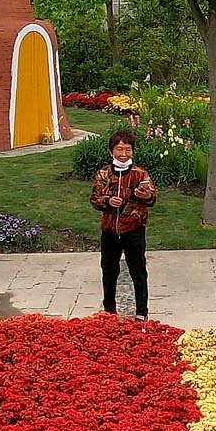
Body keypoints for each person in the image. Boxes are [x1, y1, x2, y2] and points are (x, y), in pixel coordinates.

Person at [89, 129, 157, 320]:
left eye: (127, 149)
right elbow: (94, 199)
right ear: (112, 151)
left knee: (138, 271)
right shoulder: (103, 174)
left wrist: (147, 195)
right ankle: (109, 311)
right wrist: (108, 201)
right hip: (110, 231)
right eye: (119, 149)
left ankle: (141, 312)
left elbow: (152, 197)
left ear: (133, 151)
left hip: (134, 230)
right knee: (109, 271)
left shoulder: (140, 174)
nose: (123, 154)